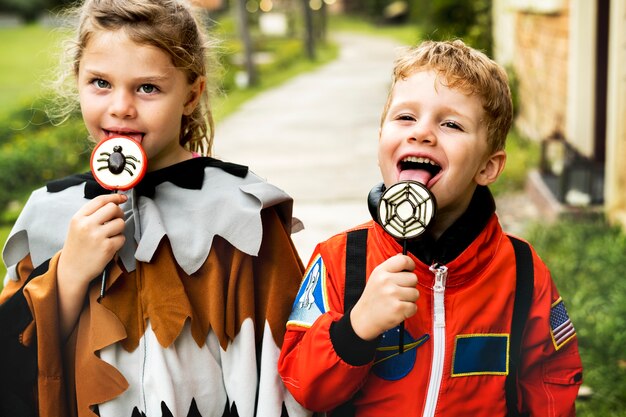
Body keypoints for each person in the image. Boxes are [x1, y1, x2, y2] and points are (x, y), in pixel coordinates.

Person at [0, 1, 310, 416]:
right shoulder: (47, 213)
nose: (122, 106)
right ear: (77, 80)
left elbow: (286, 373)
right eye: (100, 83)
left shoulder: (242, 214)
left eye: (148, 88)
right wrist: (68, 275)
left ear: (191, 94)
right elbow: (13, 375)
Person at [278, 39, 583, 416]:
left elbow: (553, 380)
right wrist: (355, 329)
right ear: (380, 141)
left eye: (451, 123)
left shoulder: (522, 271)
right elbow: (301, 387)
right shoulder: (342, 259)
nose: (421, 133)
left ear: (488, 166)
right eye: (405, 118)